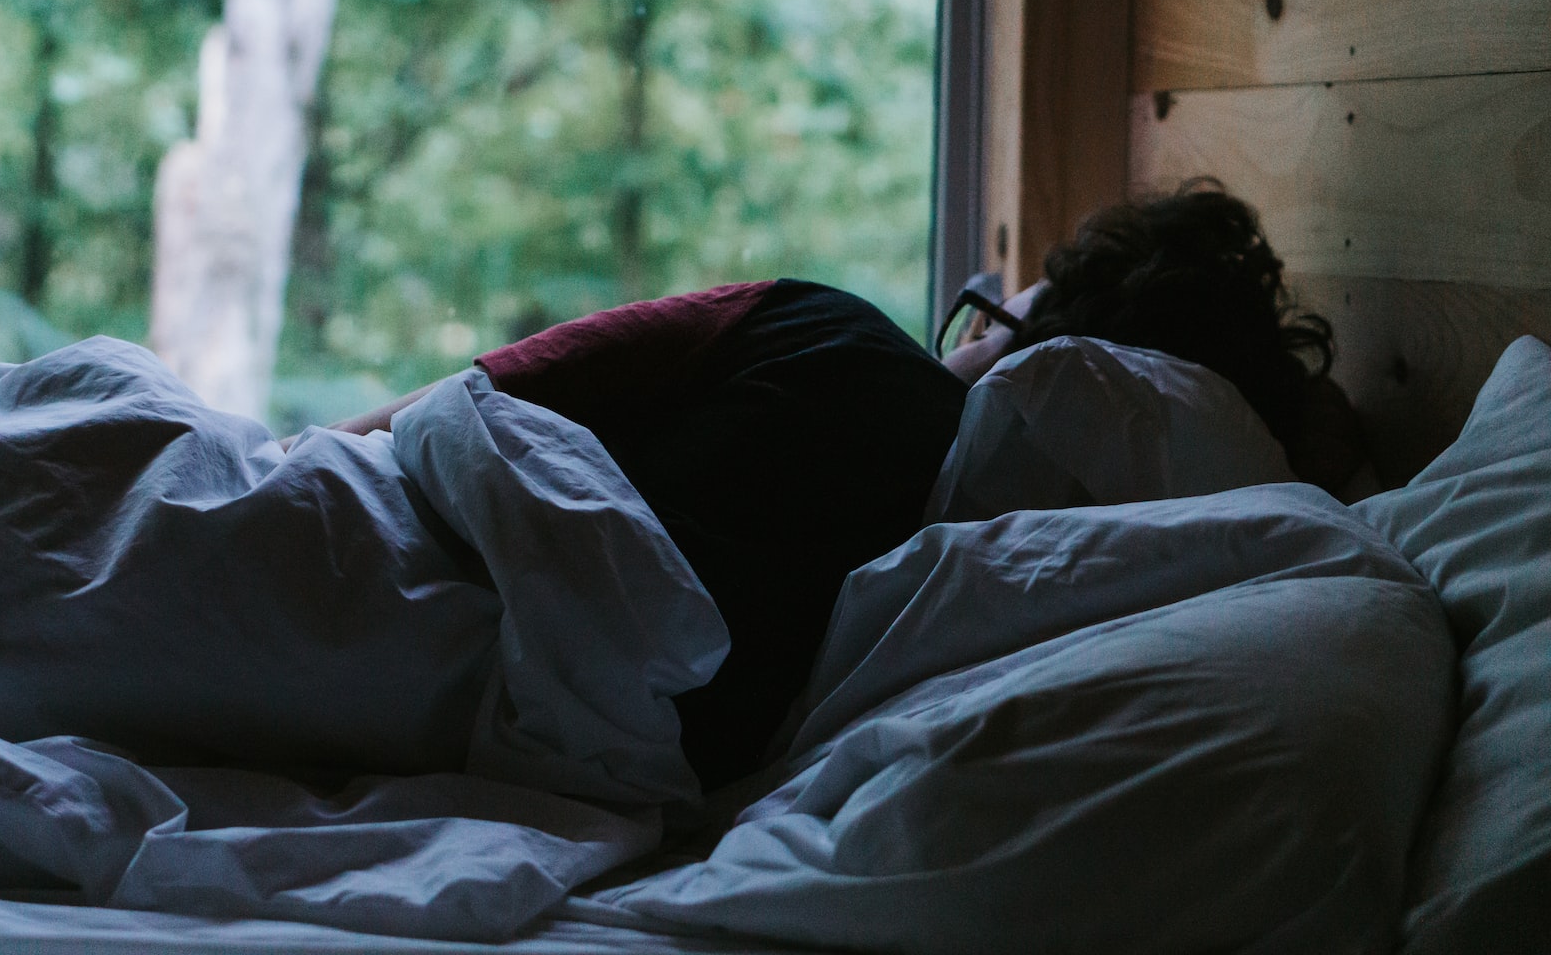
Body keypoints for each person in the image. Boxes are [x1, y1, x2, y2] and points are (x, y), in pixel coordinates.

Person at [321, 180, 1358, 791]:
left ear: (1028, 353)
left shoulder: (817, 328)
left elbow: (437, 412)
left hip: (360, 577)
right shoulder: (1000, 606)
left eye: (987, 316)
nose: (966, 331)